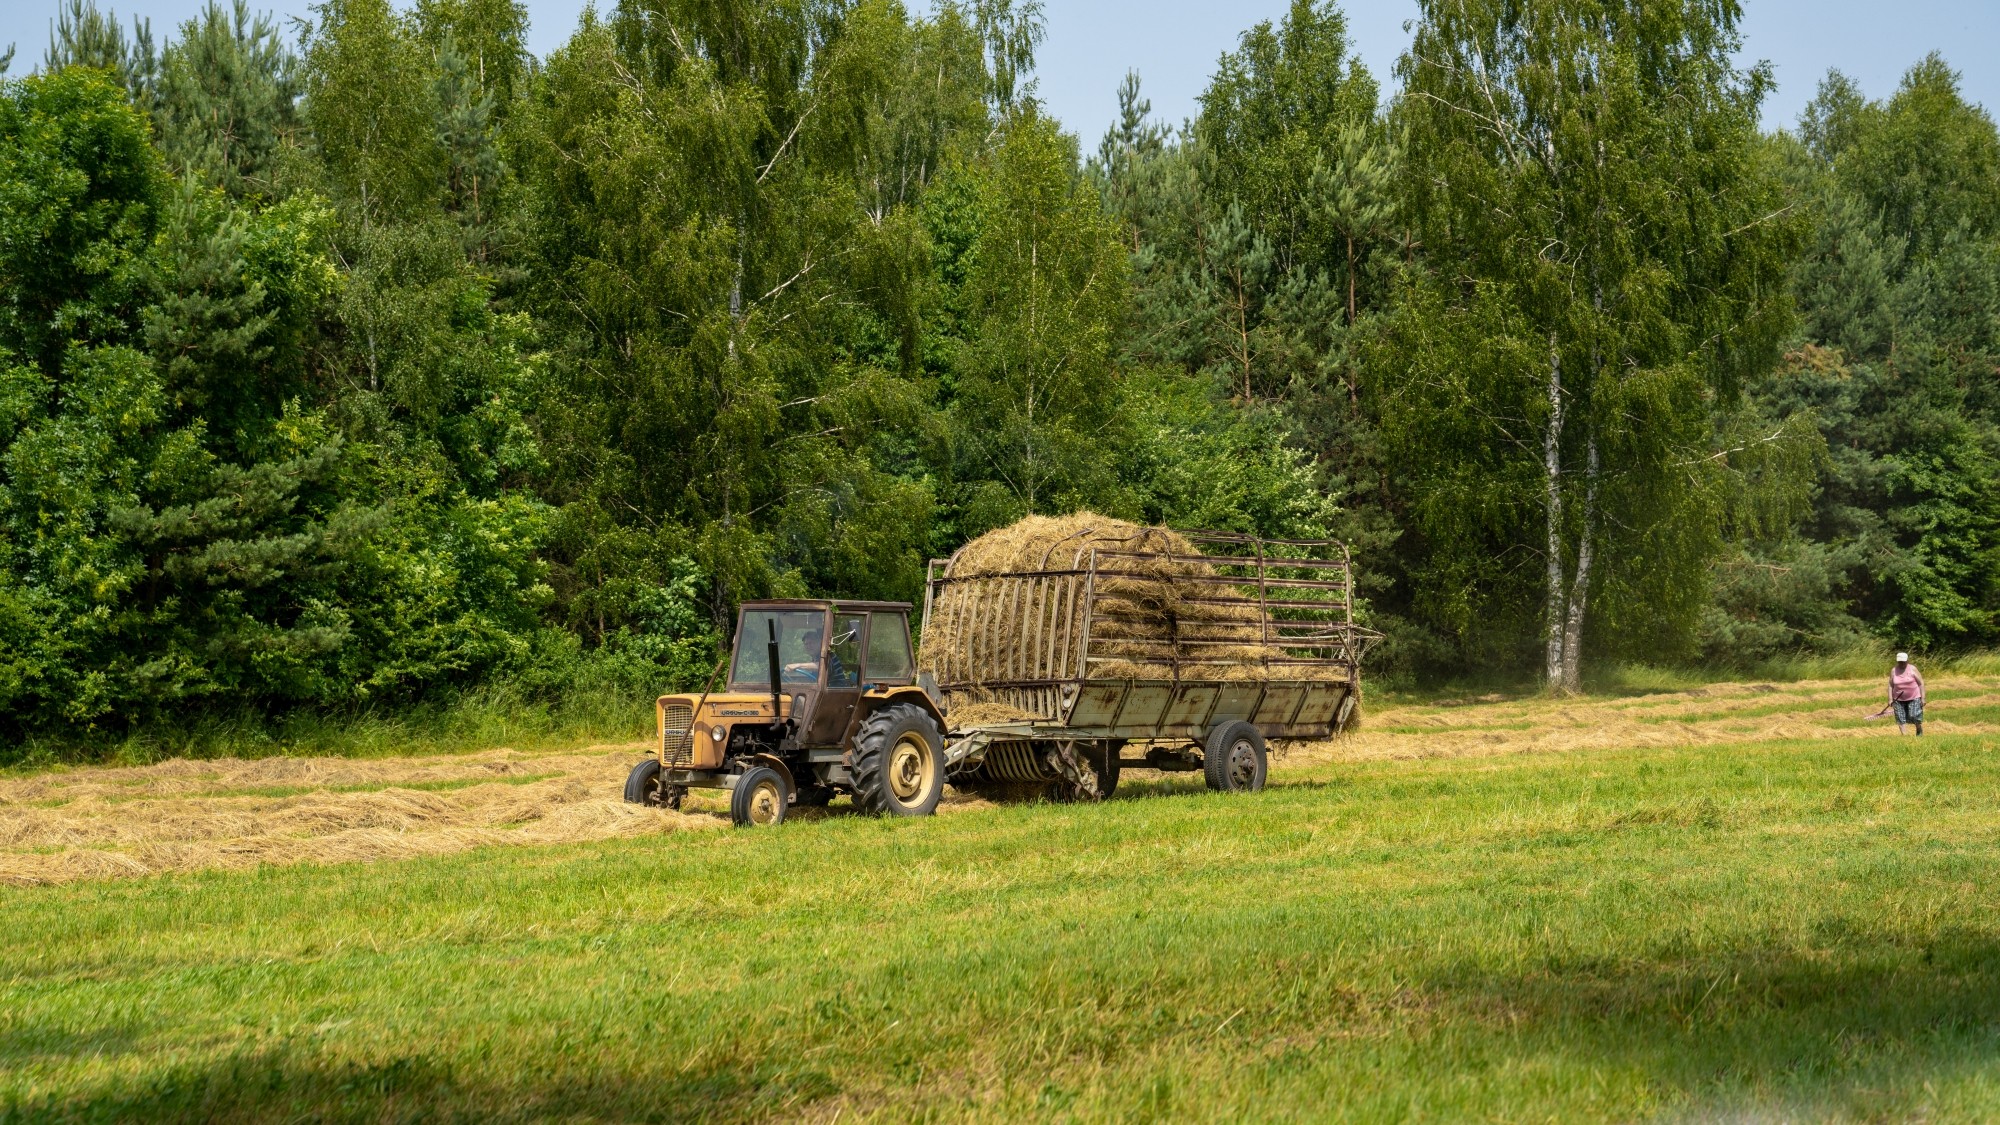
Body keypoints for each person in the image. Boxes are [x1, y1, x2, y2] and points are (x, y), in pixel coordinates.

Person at [1888, 651, 1925, 736]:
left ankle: (1919, 729)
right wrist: (1890, 699)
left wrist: (1923, 698)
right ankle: (1905, 736)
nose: (1902, 663)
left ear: (1907, 661)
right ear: (1897, 661)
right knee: (1900, 718)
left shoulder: (1913, 669)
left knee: (1914, 716)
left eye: (1903, 662)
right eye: (1900, 662)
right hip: (1898, 699)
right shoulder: (1894, 670)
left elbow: (1921, 683)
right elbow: (1890, 685)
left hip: (1914, 697)